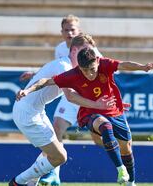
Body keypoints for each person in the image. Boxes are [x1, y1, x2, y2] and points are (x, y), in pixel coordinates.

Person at [16, 46, 153, 186]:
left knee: (126, 147)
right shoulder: (73, 74)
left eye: (92, 69)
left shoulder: (104, 64)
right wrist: (27, 90)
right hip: (90, 112)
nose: (89, 74)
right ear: (79, 67)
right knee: (105, 126)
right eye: (85, 71)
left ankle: (131, 182)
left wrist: (142, 67)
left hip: (113, 110)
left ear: (97, 61)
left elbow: (124, 65)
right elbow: (46, 81)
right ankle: (120, 169)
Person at [8, 41, 116, 186]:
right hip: (28, 113)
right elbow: (71, 96)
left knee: (50, 152)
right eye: (85, 50)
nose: (88, 55)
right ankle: (18, 182)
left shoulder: (68, 67)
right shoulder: (64, 67)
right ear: (74, 50)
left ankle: (30, 184)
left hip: (35, 111)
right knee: (60, 157)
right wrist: (97, 105)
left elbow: (48, 79)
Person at [20, 16, 103, 185]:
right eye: (67, 30)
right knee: (57, 128)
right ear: (62, 32)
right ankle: (53, 175)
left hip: (85, 94)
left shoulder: (89, 51)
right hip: (70, 93)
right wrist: (36, 75)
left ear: (79, 32)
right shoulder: (60, 49)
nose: (70, 33)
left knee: (99, 139)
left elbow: (104, 70)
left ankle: (120, 151)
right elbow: (58, 72)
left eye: (73, 30)